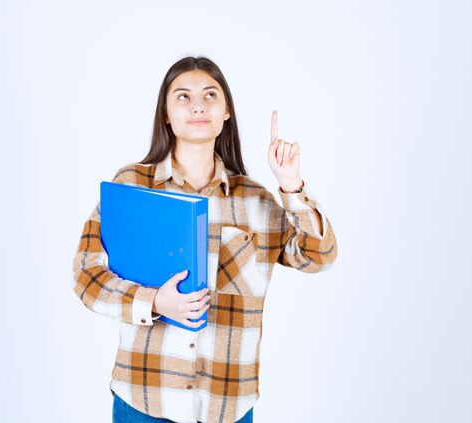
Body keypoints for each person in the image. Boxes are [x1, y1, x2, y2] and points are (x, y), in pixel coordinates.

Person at [72, 56, 338, 423]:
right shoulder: (130, 186)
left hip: (227, 403)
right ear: (165, 114)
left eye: (210, 95)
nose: (198, 105)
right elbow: (86, 276)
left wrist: (292, 186)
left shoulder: (255, 201)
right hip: (144, 398)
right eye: (182, 96)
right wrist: (153, 302)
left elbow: (318, 256)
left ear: (226, 110)